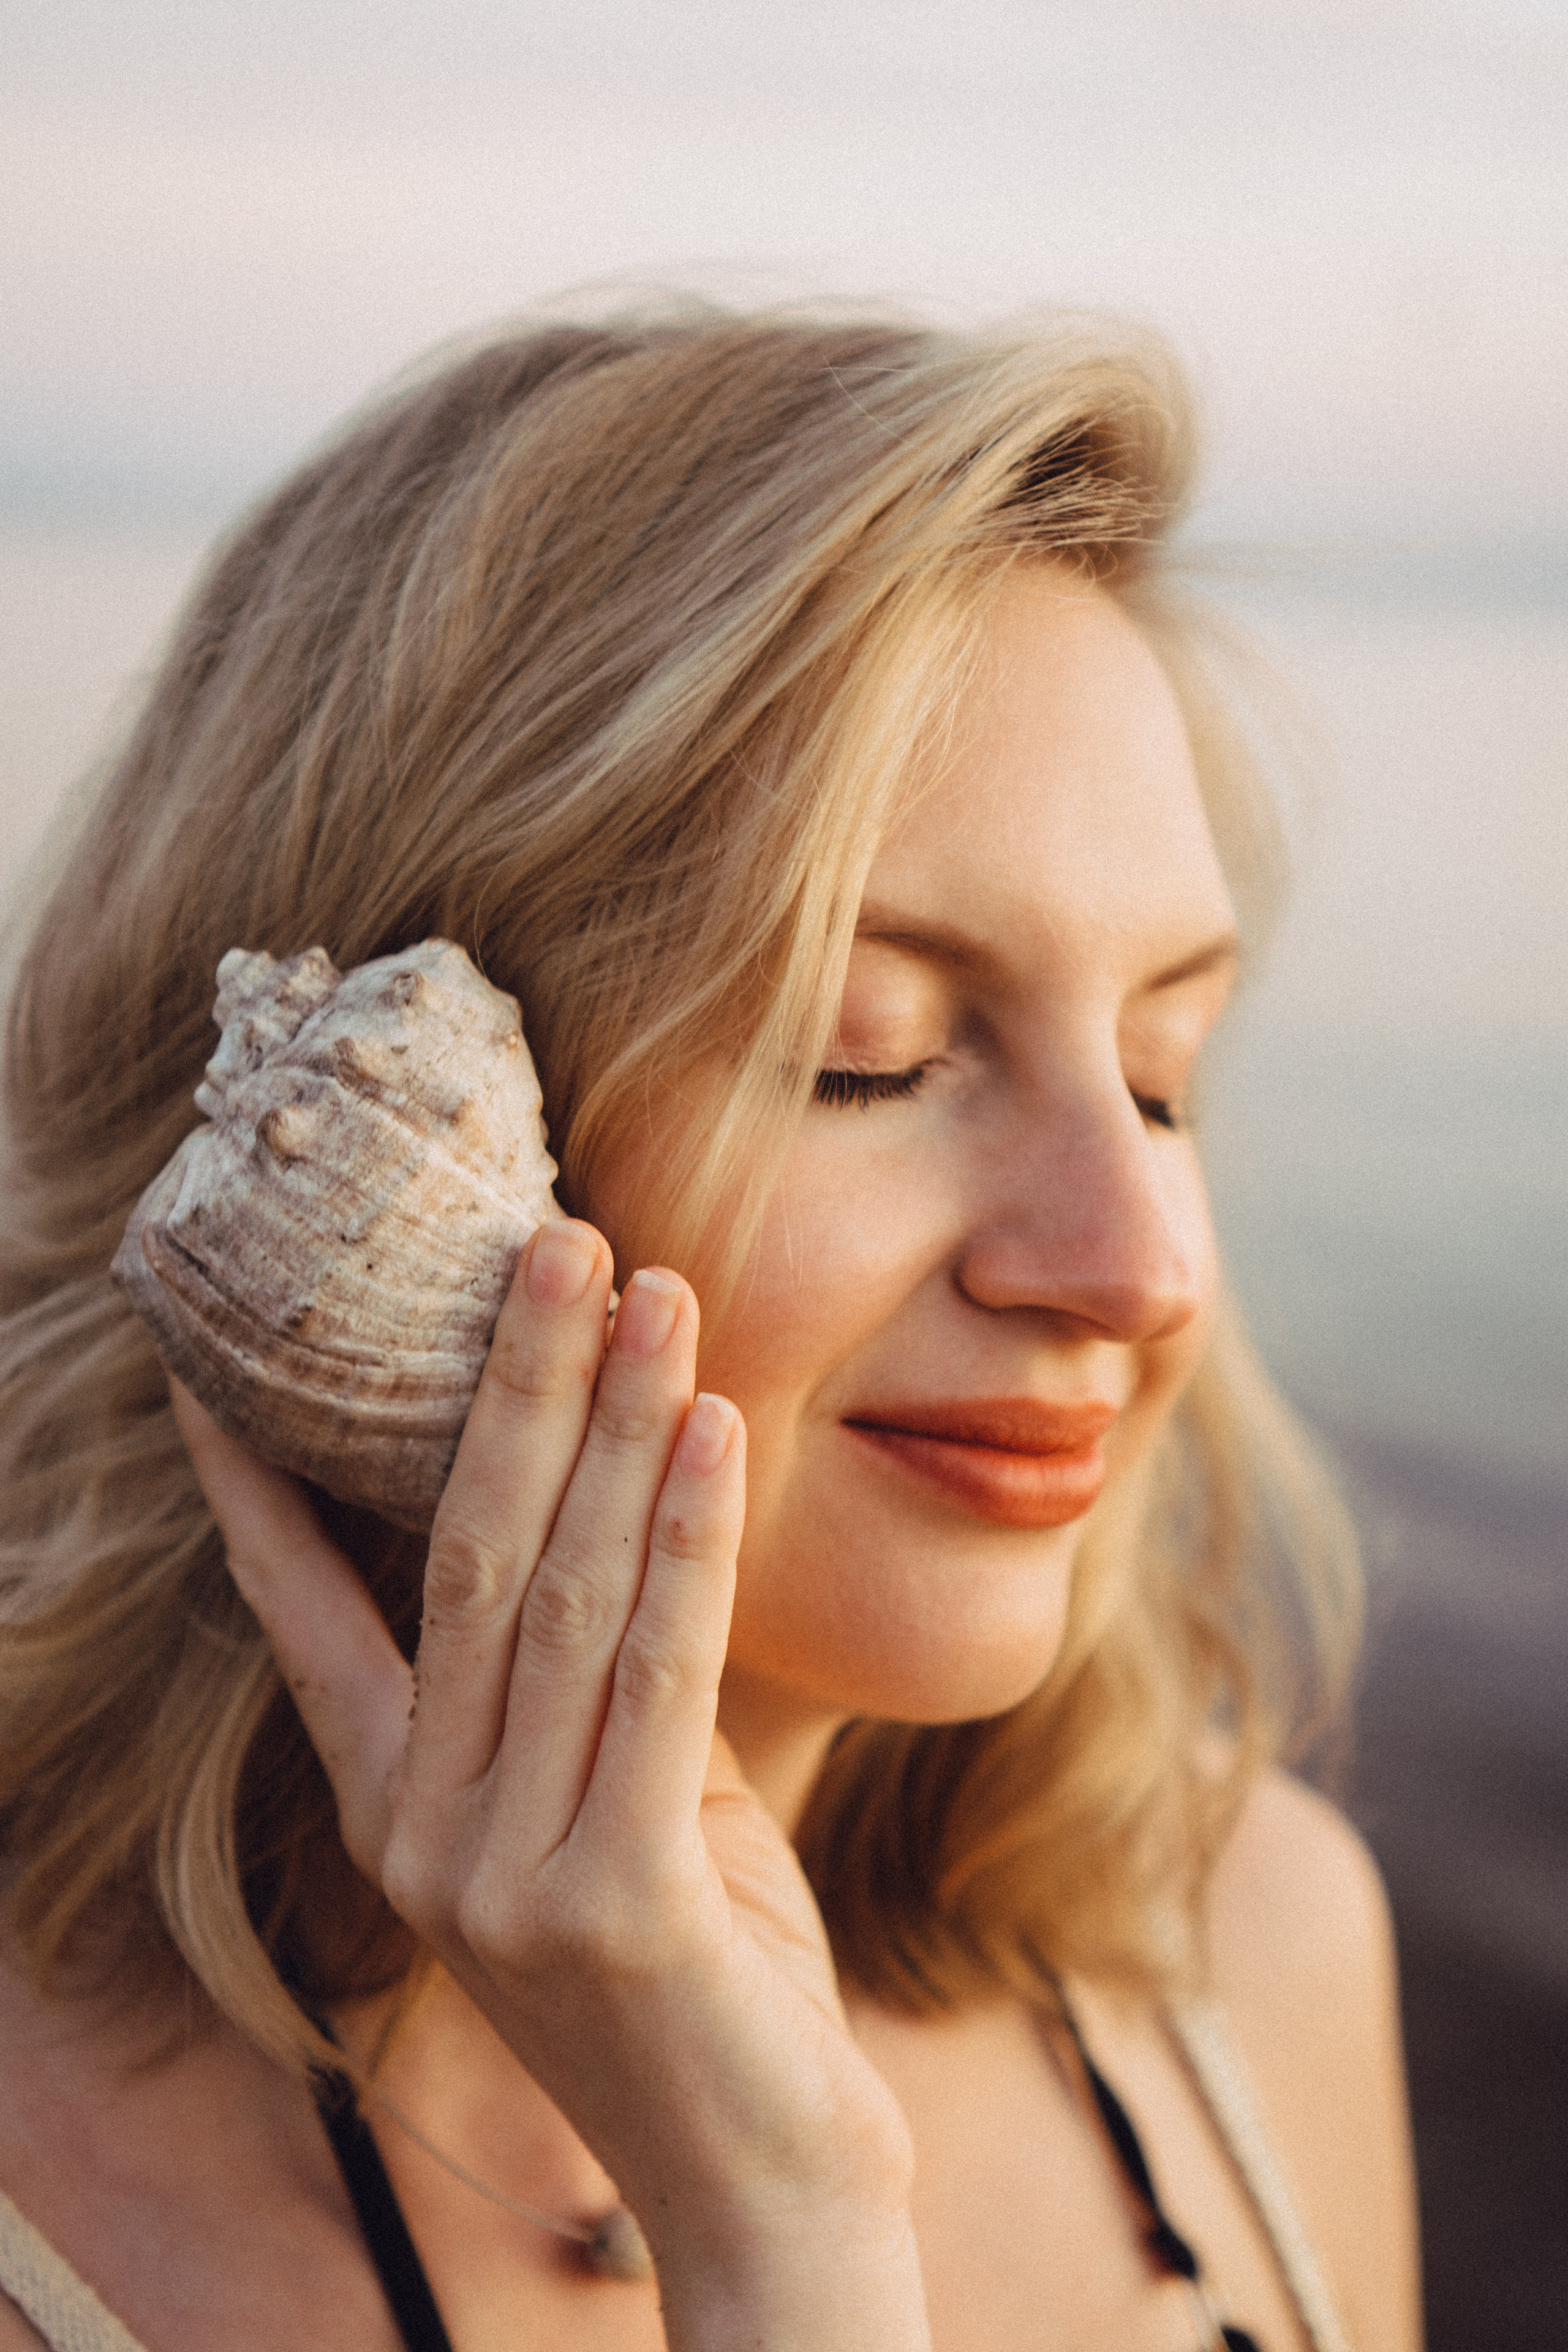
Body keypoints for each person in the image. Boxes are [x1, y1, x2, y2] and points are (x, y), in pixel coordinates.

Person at [0, 307, 1421, 2351]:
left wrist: (788, 2231)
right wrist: (776, 2244)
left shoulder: (1255, 1947)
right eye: (876, 1054)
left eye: (1166, 1072)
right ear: (393, 1168)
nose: (1138, 1269)